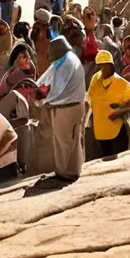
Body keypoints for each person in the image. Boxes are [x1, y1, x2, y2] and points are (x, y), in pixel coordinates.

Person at [37, 36, 86, 182]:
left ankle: (65, 172)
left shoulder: (66, 63)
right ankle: (74, 169)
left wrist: (43, 97)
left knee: (63, 142)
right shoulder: (69, 59)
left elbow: (56, 90)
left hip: (66, 109)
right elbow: (48, 78)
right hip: (76, 106)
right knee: (74, 140)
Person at [87, 50, 130, 157]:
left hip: (116, 129)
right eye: (100, 66)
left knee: (119, 156)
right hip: (100, 129)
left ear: (111, 66)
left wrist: (120, 110)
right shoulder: (95, 79)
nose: (102, 69)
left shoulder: (118, 81)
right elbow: (89, 97)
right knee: (106, 155)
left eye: (105, 65)